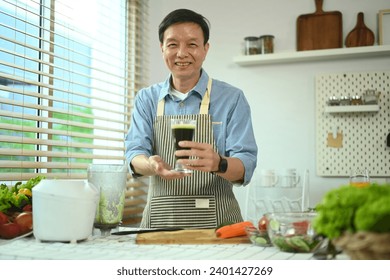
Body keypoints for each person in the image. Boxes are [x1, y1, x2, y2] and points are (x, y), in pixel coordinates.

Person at [125, 8, 258, 229]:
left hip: (219, 225)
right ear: (162, 49)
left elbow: (246, 166)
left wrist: (219, 163)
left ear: (206, 49)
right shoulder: (146, 99)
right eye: (173, 44)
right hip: (160, 225)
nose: (182, 53)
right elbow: (133, 154)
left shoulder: (232, 98)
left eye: (192, 45)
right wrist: (150, 164)